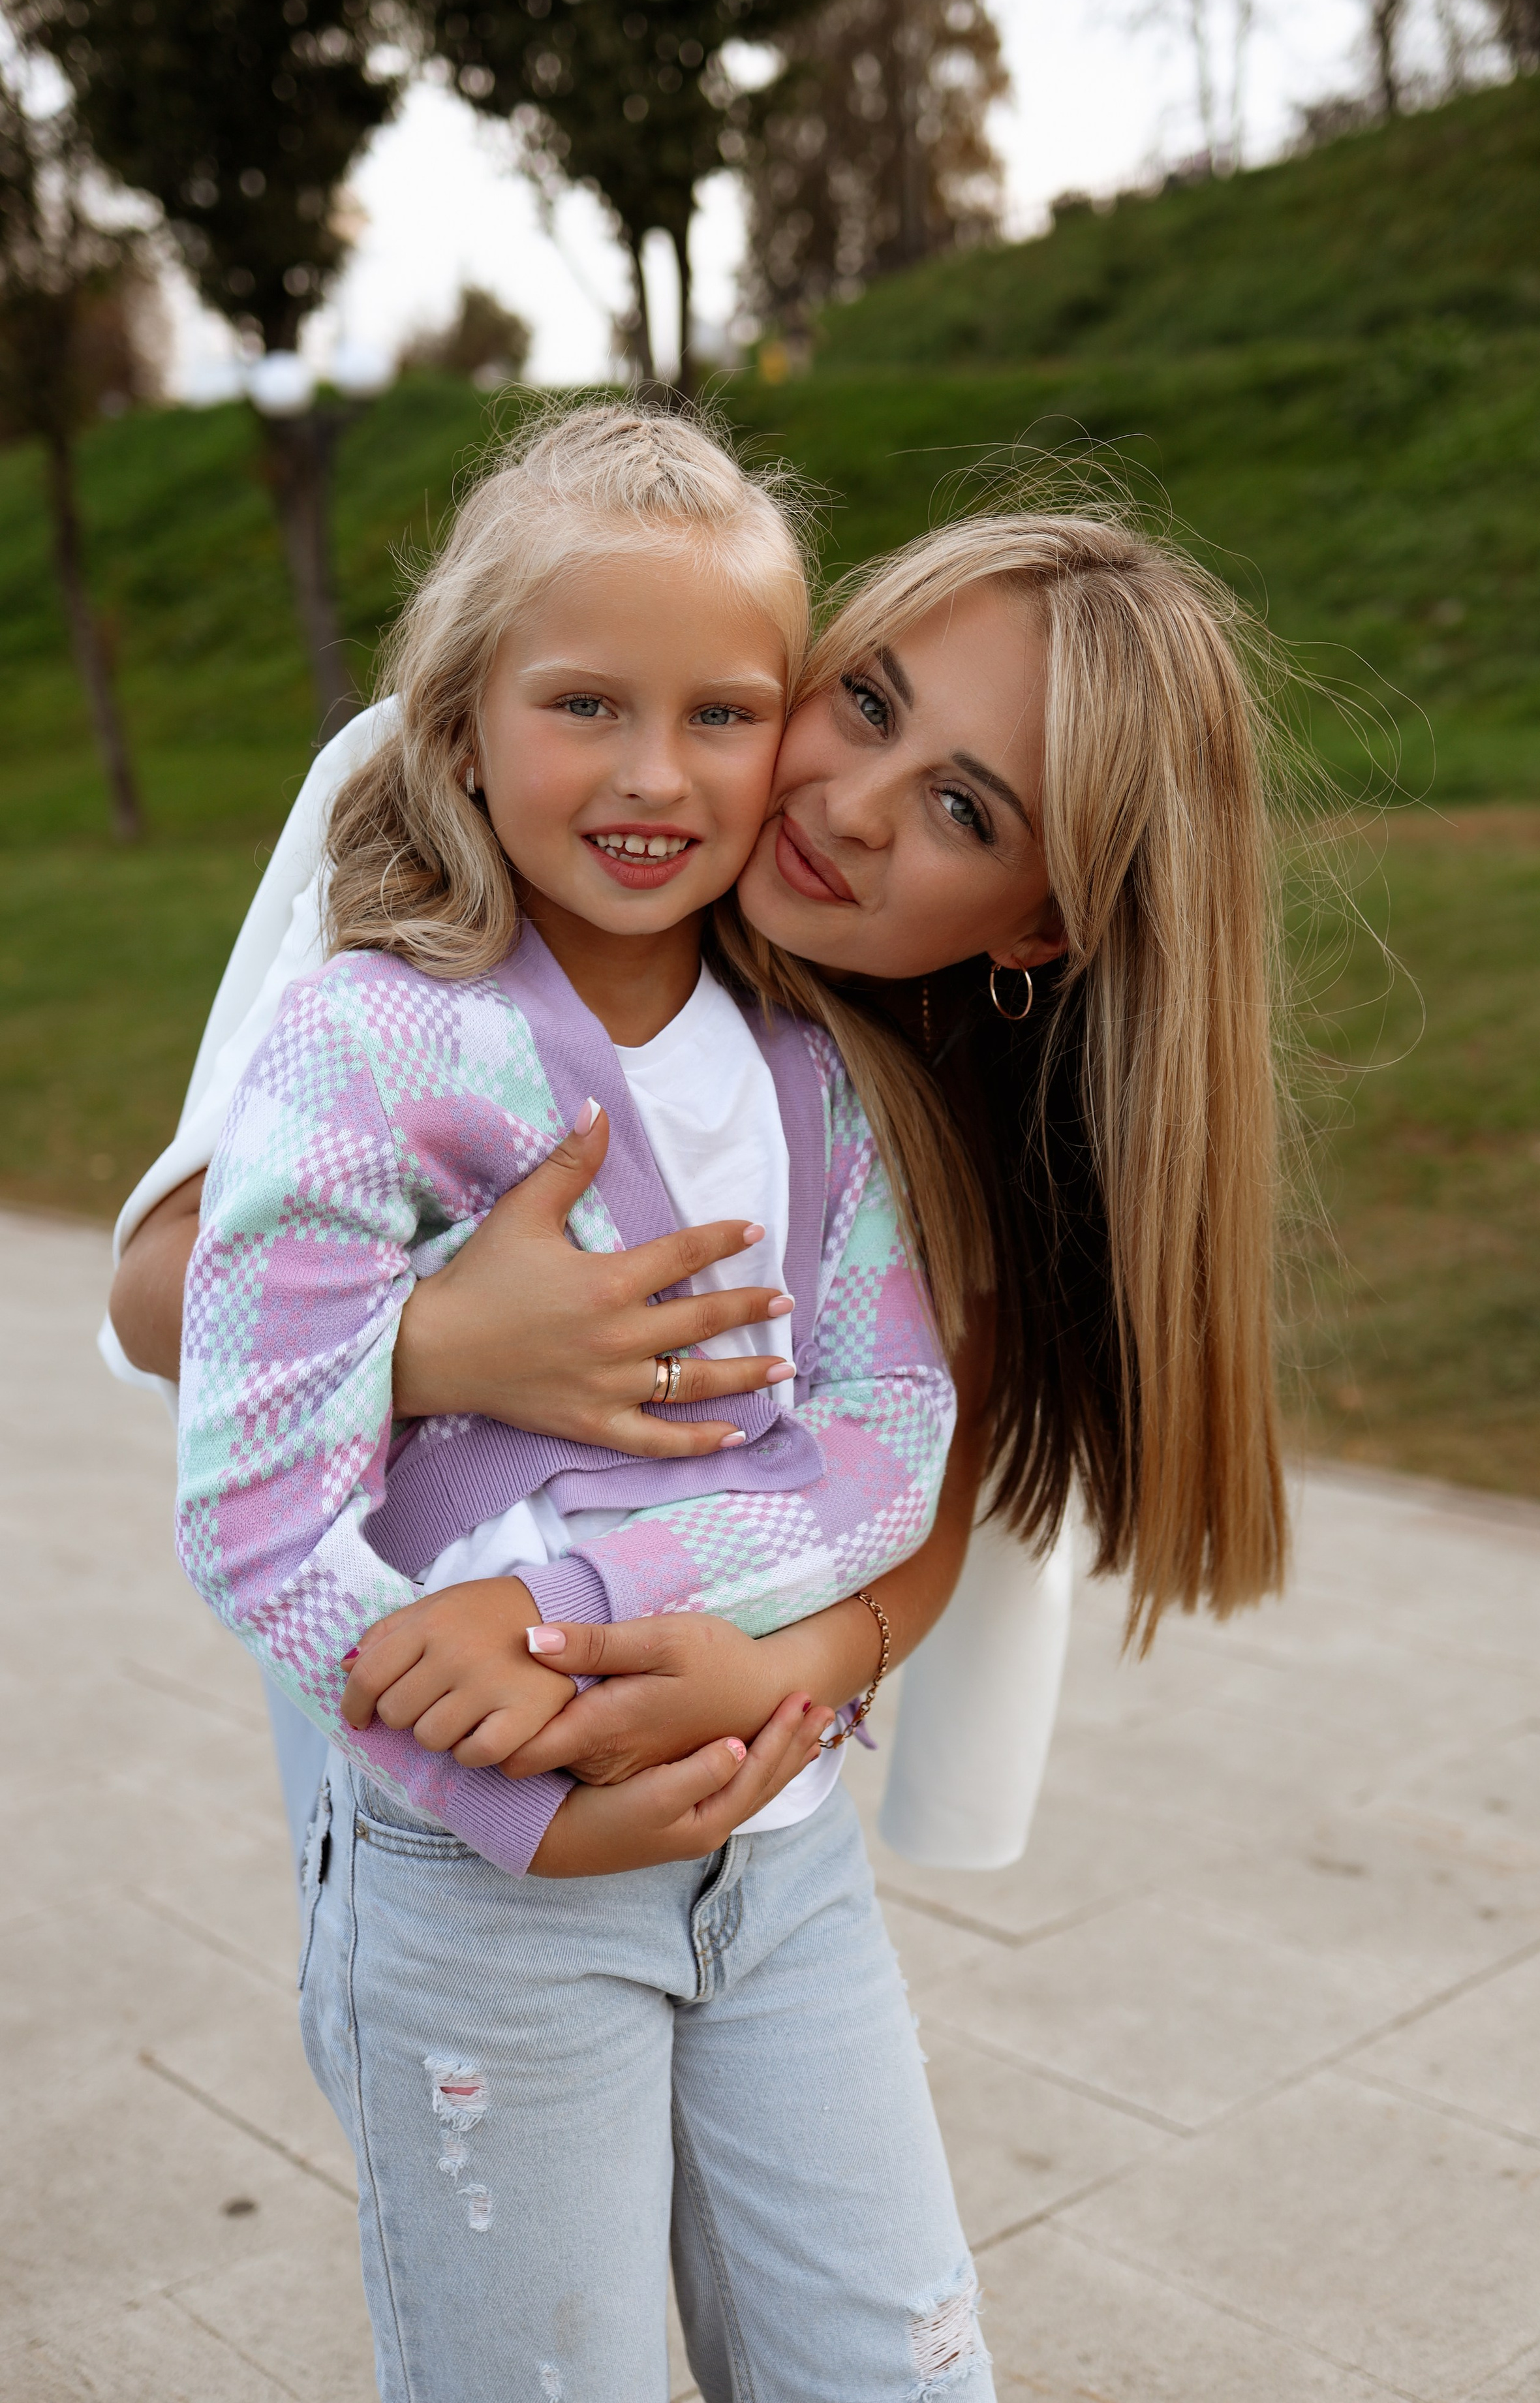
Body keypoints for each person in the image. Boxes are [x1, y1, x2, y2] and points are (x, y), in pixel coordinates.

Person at [172, 401, 1008, 2398]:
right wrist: (485, 1762)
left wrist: (636, 1614)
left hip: (782, 1858)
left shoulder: (817, 1074)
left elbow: (893, 1433)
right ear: (458, 730)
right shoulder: (363, 1047)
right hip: (485, 1897)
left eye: (725, 713)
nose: (657, 775)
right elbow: (250, 1492)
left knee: (897, 2367)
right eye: (584, 707)